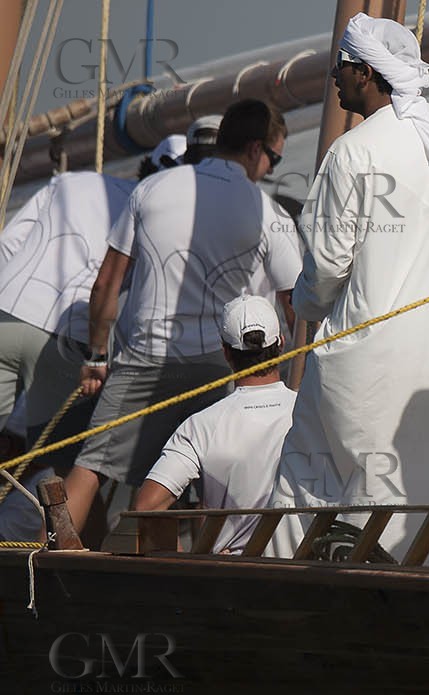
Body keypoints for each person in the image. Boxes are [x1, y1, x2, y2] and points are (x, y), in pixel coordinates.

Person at [271, 13, 429, 561]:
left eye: (341, 68)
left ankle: (283, 576)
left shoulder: (351, 152)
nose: (334, 78)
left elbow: (325, 269)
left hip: (371, 355)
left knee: (312, 470)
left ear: (367, 75)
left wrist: (304, 307)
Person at [61, 98, 300, 544]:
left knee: (92, 469)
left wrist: (95, 357)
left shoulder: (152, 190)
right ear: (253, 149)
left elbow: (106, 286)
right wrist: (297, 383)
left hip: (143, 360)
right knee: (193, 494)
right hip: (216, 368)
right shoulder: (268, 212)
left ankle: (37, 570)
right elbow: (295, 302)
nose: (269, 168)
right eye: (274, 157)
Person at [0, 139, 188, 464]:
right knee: (58, 467)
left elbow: (8, 243)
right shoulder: (157, 218)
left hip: (7, 310)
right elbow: (132, 305)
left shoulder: (71, 180)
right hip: (67, 339)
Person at [132, 294, 295, 553]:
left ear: (226, 352)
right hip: (308, 567)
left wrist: (187, 563)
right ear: (282, 343)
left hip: (230, 577)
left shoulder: (201, 425)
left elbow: (146, 507)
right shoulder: (311, 413)